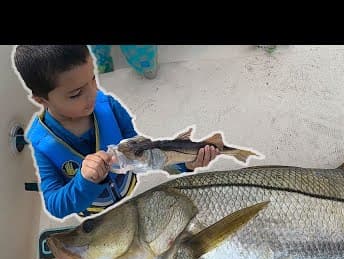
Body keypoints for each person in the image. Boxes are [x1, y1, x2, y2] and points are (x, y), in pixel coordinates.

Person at [13, 45, 218, 219]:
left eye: (93, 79)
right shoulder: (42, 144)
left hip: (132, 192)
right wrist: (84, 181)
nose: (93, 94)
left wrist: (185, 163)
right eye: (76, 94)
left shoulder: (108, 105)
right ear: (41, 100)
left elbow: (144, 152)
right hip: (95, 214)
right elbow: (55, 205)